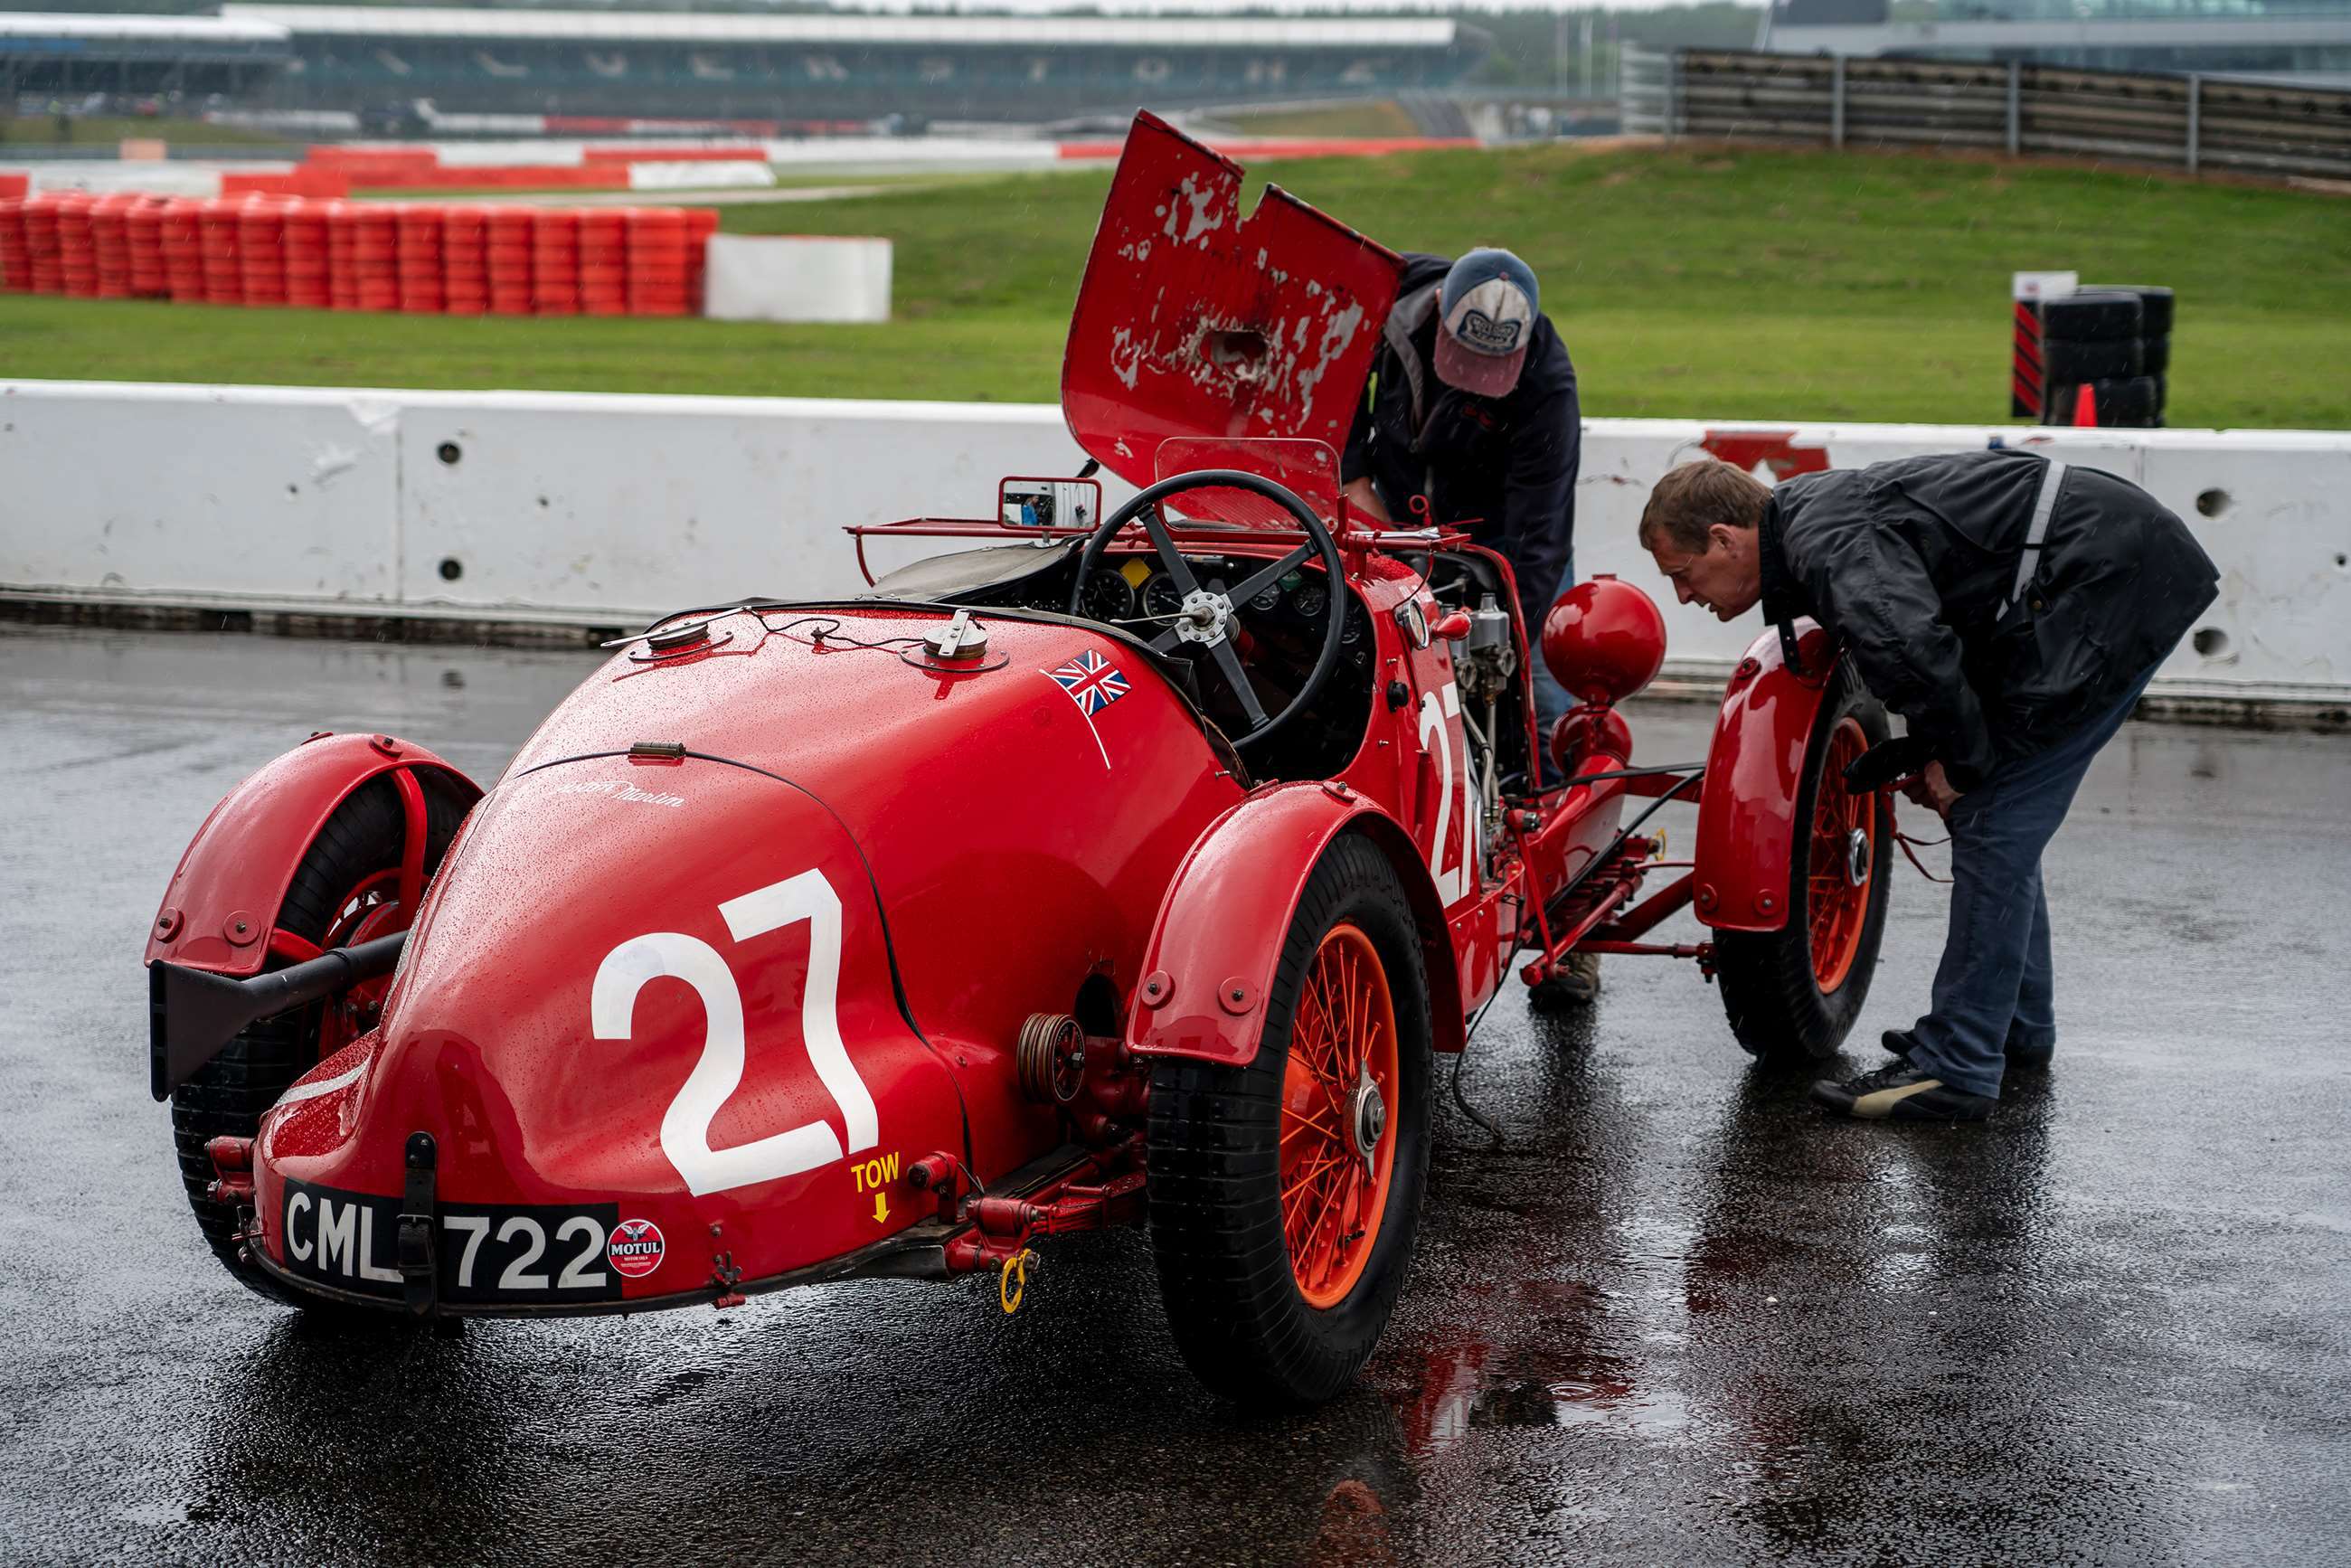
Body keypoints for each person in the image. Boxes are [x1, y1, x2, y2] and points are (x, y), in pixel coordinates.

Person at [1638, 450, 2217, 1120]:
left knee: (1992, 813)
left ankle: (1958, 1063)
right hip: (2100, 559)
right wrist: (1939, 752)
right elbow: (1923, 633)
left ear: (1724, 539)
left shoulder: (1825, 542)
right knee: (1999, 813)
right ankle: (2013, 1026)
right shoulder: (1813, 522)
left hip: (2107, 573)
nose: (1684, 596)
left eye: (1682, 574)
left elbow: (1911, 646)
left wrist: (1955, 765)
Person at [1340, 248, 1595, 1001]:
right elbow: (1334, 389)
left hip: (1498, 544)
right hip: (1389, 519)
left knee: (1545, 714)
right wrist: (1354, 479)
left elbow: (1541, 538)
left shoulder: (1547, 383)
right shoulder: (1387, 304)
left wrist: (1508, 635)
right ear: (1439, 317)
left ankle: (1568, 927)